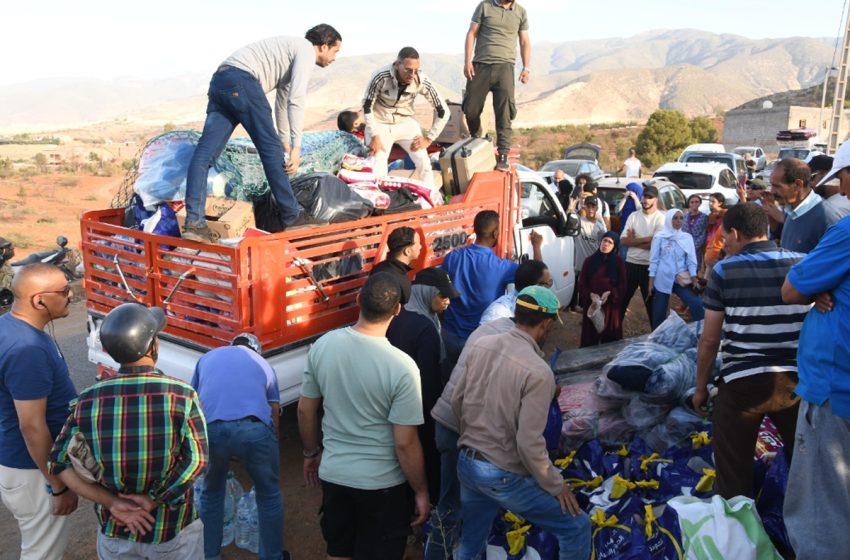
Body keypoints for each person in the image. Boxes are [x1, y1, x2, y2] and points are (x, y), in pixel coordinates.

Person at [48, 303, 208, 559]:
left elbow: (58, 462)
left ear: (110, 351)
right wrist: (155, 498)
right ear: (153, 345)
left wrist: (113, 503)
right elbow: (197, 460)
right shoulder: (182, 394)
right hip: (172, 530)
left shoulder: (87, 400)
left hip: (115, 531)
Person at [451, 286, 591, 559]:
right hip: (499, 474)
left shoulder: (482, 344)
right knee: (576, 527)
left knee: (471, 542)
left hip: (467, 464)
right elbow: (529, 444)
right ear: (547, 323)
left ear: (517, 313)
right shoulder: (538, 371)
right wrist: (557, 484)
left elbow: (457, 401)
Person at [297, 272, 429, 559]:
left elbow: (305, 409)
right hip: (382, 485)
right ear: (397, 310)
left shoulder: (324, 345)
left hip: (335, 475)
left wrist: (311, 453)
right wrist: (420, 491)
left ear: (358, 300)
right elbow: (405, 443)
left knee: (338, 550)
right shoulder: (403, 367)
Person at [183, 25, 343, 242]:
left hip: (221, 81)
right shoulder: (305, 50)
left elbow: (283, 101)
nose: (334, 58)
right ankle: (291, 216)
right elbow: (297, 100)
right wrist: (296, 147)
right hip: (243, 81)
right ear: (323, 46)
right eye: (335, 51)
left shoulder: (290, 51)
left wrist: (285, 141)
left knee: (204, 156)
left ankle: (194, 224)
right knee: (270, 152)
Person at [692, 203, 807, 503]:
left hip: (742, 383)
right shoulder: (803, 262)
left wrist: (700, 388)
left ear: (737, 233)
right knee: (806, 469)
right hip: (797, 384)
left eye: (725, 236)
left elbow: (709, 340)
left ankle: (740, 530)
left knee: (733, 473)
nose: (724, 243)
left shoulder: (724, 270)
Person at [780, 143, 850, 559]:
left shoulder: (845, 230)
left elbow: (791, 288)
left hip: (835, 389)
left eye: (843, 177)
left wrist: (819, 284)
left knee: (823, 513)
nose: (841, 188)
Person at [0, 264, 78, 559]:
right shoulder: (26, 349)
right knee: (42, 553)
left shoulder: (13, 327)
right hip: (33, 472)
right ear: (39, 300)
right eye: (64, 290)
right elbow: (31, 427)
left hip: (27, 467)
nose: (71, 295)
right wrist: (57, 485)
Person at [425, 316, 515, 560]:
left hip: (446, 422)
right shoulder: (512, 347)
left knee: (453, 501)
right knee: (452, 505)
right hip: (458, 428)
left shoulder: (489, 327)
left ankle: (445, 549)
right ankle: (438, 554)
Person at [191, 333, 286, 560]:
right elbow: (273, 411)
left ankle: (210, 555)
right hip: (254, 430)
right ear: (256, 350)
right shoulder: (263, 364)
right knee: (269, 494)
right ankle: (272, 557)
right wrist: (272, 445)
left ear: (232, 345)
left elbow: (194, 398)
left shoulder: (207, 358)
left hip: (211, 429)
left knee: (211, 492)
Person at [387, 267, 461, 504]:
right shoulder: (426, 328)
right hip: (420, 410)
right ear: (427, 293)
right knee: (427, 457)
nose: (447, 301)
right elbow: (428, 381)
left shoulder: (398, 315)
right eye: (443, 296)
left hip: (393, 404)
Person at [441, 210, 543, 365]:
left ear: (475, 230)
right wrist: (537, 246)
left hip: (450, 335)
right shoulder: (502, 267)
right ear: (495, 233)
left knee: (451, 381)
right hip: (480, 341)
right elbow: (537, 276)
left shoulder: (453, 257)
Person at [362, 47, 449, 184]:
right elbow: (366, 106)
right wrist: (374, 135)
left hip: (405, 122)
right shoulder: (381, 76)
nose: (412, 74)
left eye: (416, 70)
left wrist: (429, 139)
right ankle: (380, 203)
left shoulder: (421, 79)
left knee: (424, 164)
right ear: (397, 65)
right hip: (380, 123)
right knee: (378, 166)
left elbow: (443, 111)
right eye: (408, 70)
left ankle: (430, 199)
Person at [462, 0, 531, 170]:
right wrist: (467, 61)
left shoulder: (521, 12)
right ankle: (477, 137)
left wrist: (526, 68)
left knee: (504, 113)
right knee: (470, 108)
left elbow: (524, 42)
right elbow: (472, 33)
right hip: (480, 65)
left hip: (505, 68)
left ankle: (503, 155)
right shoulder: (485, 6)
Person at [770, 157, 841, 253]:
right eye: (772, 185)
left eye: (777, 186)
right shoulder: (790, 210)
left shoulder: (826, 217)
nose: (772, 192)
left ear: (798, 185)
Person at [648, 209, 704, 330]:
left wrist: (694, 278)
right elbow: (654, 260)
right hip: (663, 279)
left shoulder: (686, 237)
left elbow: (691, 260)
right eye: (675, 218)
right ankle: (657, 340)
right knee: (659, 311)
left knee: (697, 303)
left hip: (681, 279)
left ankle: (701, 333)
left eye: (681, 218)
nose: (678, 221)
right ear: (668, 219)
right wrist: (651, 283)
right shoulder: (659, 237)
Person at [619, 184, 665, 321]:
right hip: (631, 264)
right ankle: (614, 336)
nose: (646, 200)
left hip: (649, 267)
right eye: (644, 196)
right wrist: (647, 240)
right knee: (622, 302)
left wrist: (633, 240)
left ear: (656, 199)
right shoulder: (634, 216)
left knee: (651, 305)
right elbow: (623, 241)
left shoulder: (660, 218)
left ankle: (656, 336)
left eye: (650, 197)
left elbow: (656, 246)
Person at [578, 231, 627, 347]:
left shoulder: (619, 262)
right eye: (604, 240)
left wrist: (611, 293)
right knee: (590, 338)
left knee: (610, 339)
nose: (606, 244)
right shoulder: (589, 261)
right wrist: (590, 294)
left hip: (610, 305)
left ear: (614, 246)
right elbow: (582, 283)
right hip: (592, 304)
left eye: (610, 242)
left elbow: (623, 285)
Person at [480, 259, 552, 324]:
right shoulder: (498, 313)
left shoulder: (540, 308)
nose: (549, 290)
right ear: (536, 287)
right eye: (548, 284)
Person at [569, 196, 607, 311]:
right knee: (576, 283)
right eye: (588, 206)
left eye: (593, 207)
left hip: (593, 263)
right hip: (579, 262)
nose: (590, 209)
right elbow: (569, 218)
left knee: (590, 287)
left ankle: (586, 307)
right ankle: (573, 304)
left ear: (597, 209)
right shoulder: (579, 221)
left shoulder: (600, 227)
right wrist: (573, 204)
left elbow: (603, 246)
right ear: (584, 207)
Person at [370, 226, 422, 304]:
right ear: (407, 251)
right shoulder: (402, 282)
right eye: (418, 244)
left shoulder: (377, 268)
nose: (420, 247)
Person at [703, 192, 728, 273]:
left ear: (720, 203)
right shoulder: (711, 215)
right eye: (709, 201)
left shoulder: (725, 213)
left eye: (713, 201)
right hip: (710, 246)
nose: (710, 203)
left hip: (720, 246)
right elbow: (709, 231)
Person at [682, 194, 709, 270]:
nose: (694, 204)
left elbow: (703, 233)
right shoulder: (685, 217)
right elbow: (682, 232)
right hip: (684, 247)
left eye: (696, 202)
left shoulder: (704, 217)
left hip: (696, 248)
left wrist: (693, 247)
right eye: (692, 202)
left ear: (700, 203)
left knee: (694, 268)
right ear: (689, 204)